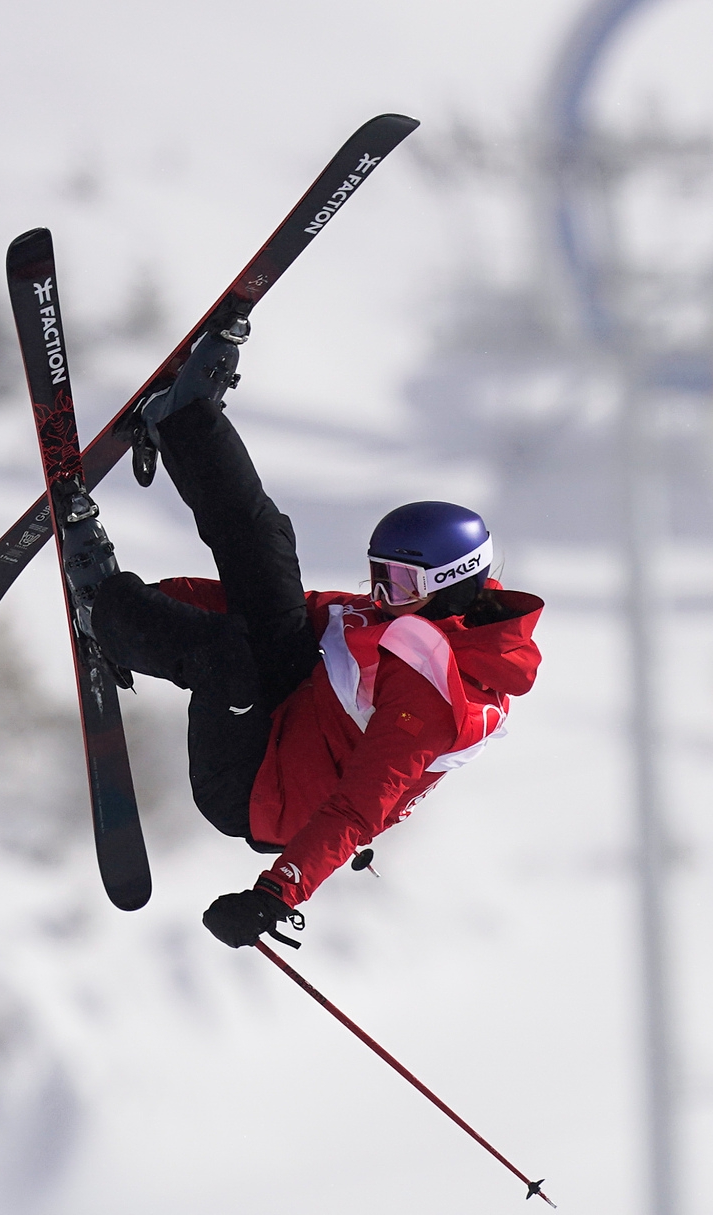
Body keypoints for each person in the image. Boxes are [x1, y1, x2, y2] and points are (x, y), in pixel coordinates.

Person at [60, 313, 543, 948]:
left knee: (234, 662)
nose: (379, 597)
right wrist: (156, 602)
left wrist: (273, 896)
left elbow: (357, 809)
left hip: (254, 788)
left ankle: (100, 613)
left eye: (396, 584)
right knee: (267, 549)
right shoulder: (410, 617)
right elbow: (276, 606)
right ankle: (185, 420)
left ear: (450, 582)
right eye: (378, 578)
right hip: (292, 709)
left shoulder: (434, 697)